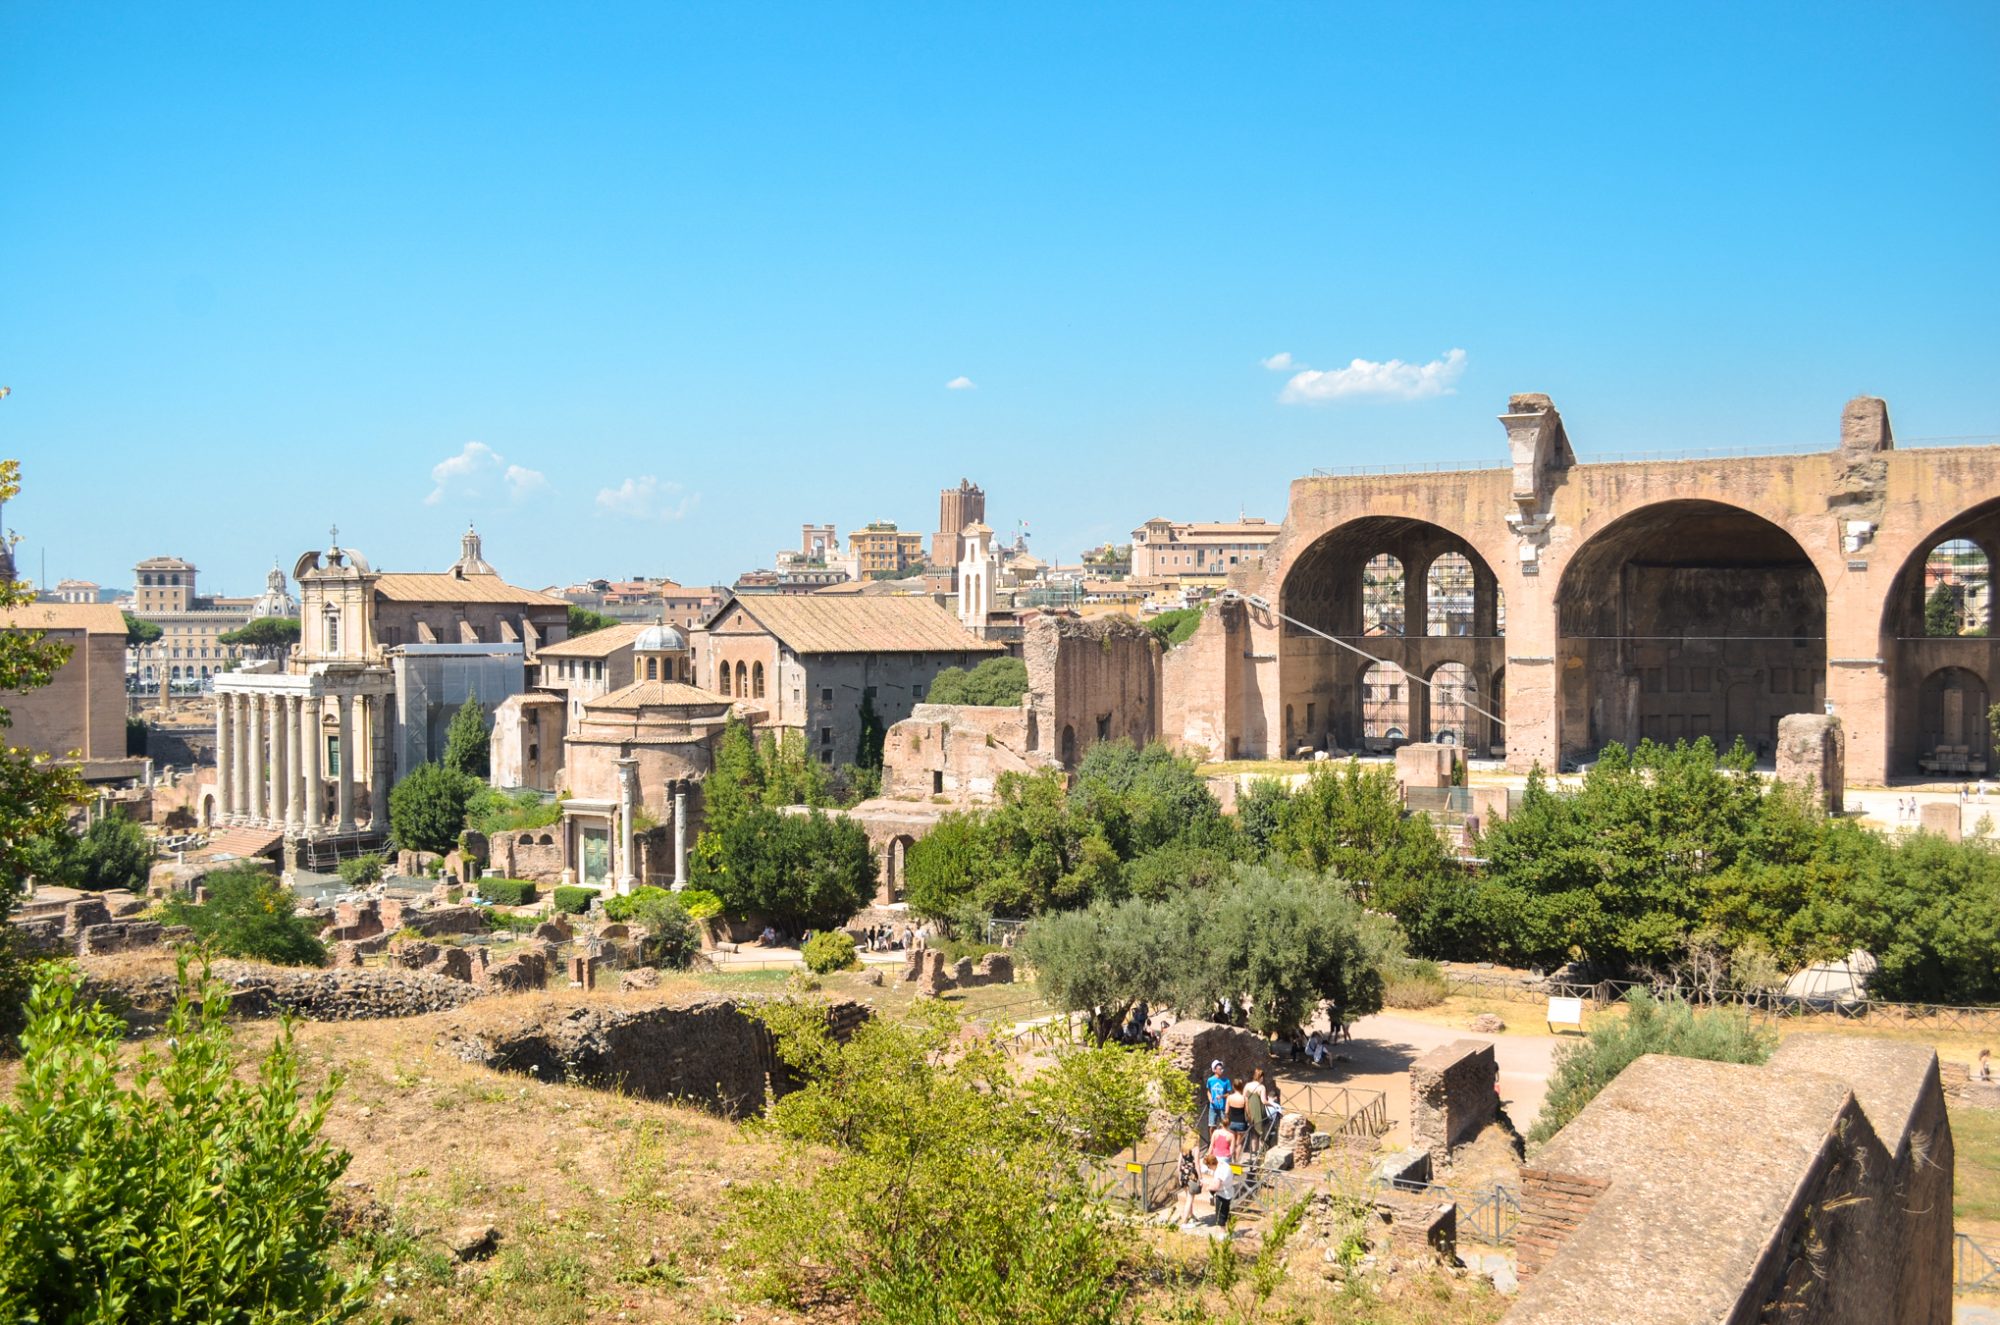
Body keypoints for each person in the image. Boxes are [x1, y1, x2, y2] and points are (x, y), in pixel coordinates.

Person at [1170, 1142, 1202, 1226]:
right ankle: (1184, 1221)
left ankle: (1191, 1215)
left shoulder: (1183, 1147)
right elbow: (1197, 1164)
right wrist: (1200, 1177)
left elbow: (1179, 1163)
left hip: (1184, 1173)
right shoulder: (1195, 1148)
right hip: (1192, 1175)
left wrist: (1179, 1176)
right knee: (1190, 1198)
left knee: (1188, 1196)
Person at [1243, 1070, 1268, 1152]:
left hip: (1249, 1112)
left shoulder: (1247, 1085)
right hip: (1259, 1113)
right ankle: (1260, 1153)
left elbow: (1244, 1098)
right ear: (1261, 1077)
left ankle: (1253, 1152)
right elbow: (1264, 1101)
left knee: (1253, 1135)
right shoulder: (1261, 1087)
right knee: (1261, 1135)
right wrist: (1273, 1104)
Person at [1205, 1060, 1231, 1131]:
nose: (1222, 1070)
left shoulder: (1226, 1081)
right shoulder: (1210, 1080)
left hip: (1222, 1107)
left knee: (1225, 1126)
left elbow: (1229, 1093)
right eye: (1220, 1069)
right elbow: (1208, 1091)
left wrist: (1222, 1096)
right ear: (1215, 1070)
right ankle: (1211, 1141)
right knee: (1212, 1126)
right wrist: (1210, 1099)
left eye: (1222, 1069)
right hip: (1213, 1107)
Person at [1225, 1078, 1250, 1151]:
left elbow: (1226, 1111)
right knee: (1239, 1143)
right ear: (1242, 1087)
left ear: (1233, 1086)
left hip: (1231, 1122)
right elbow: (1248, 1113)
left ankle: (1231, 1158)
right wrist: (1250, 1120)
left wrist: (1227, 1120)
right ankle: (1236, 1160)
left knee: (1231, 1142)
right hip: (1241, 1122)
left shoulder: (1229, 1097)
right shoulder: (1244, 1098)